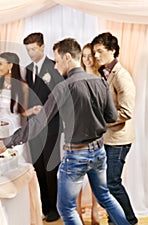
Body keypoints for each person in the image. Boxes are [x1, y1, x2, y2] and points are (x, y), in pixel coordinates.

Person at [0, 37, 130, 225]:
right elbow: (111, 117)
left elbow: (39, 123)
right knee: (105, 197)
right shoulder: (99, 82)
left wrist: (7, 143)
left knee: (66, 208)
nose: (55, 66)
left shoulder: (63, 87)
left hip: (77, 154)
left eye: (57, 60)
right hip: (98, 152)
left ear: (68, 58)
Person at [91, 32, 138, 225]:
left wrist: (101, 121)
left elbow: (126, 112)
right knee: (106, 184)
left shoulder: (122, 75)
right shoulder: (106, 72)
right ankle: (114, 220)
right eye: (94, 52)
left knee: (112, 183)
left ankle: (130, 220)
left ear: (112, 50)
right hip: (109, 138)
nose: (95, 56)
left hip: (120, 139)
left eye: (99, 51)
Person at [22, 32, 64, 222]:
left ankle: (55, 208)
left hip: (51, 125)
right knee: (38, 166)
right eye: (28, 50)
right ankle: (45, 206)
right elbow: (24, 97)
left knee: (50, 167)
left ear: (42, 47)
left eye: (33, 49)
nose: (30, 53)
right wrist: (28, 110)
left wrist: (46, 111)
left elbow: (62, 95)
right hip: (33, 126)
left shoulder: (54, 67)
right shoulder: (27, 70)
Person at [76, 43, 101, 225]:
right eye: (84, 56)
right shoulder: (76, 78)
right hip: (77, 135)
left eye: (90, 55)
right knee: (76, 179)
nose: (87, 59)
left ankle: (94, 215)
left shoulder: (102, 78)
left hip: (97, 137)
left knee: (96, 181)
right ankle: (77, 214)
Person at [0, 52, 29, 161]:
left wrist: (33, 111)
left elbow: (23, 113)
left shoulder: (23, 86)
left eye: (1, 64)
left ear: (10, 65)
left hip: (13, 129)